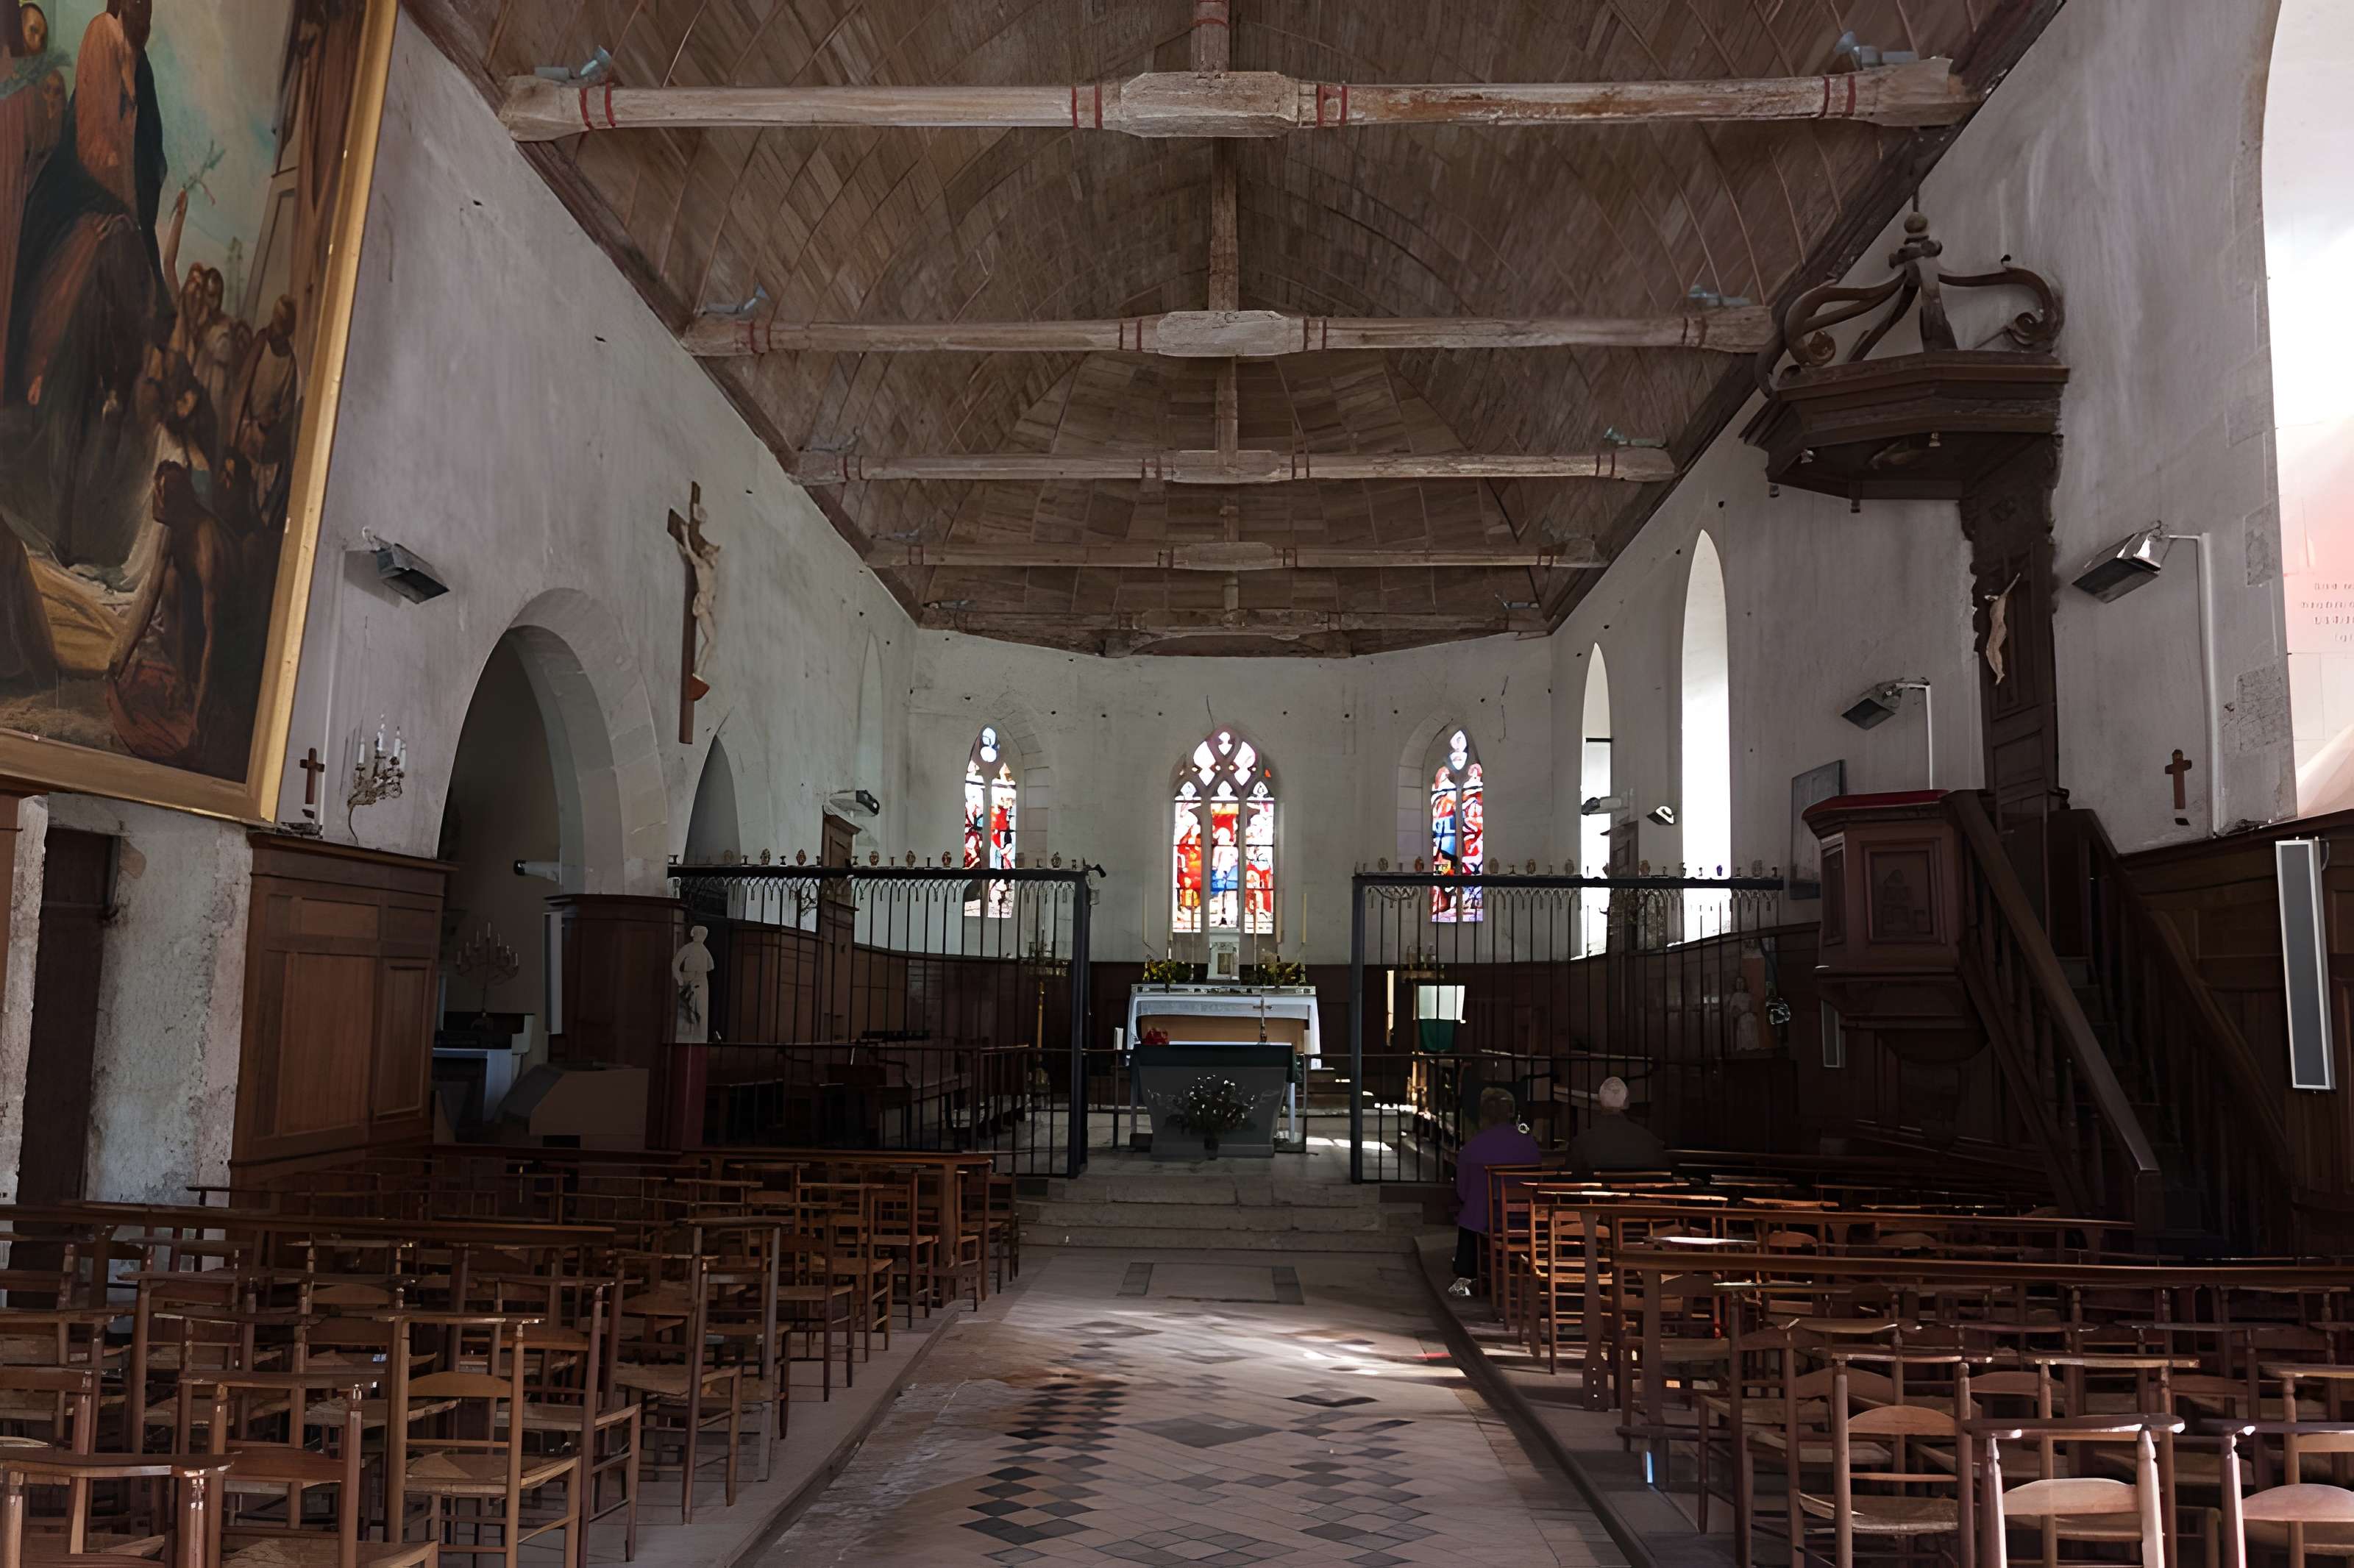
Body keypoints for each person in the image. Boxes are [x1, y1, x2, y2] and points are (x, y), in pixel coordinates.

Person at [1448, 1086, 1540, 1297]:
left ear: (1484, 1115)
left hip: (1487, 1220)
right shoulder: (1529, 1143)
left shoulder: (1472, 1148)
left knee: (1470, 1213)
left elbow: (1462, 1192)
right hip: (1526, 1218)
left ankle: (1468, 1275)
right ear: (1511, 1113)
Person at [1568, 1075, 1668, 1174]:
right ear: (1626, 1103)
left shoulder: (1580, 1144)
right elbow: (1665, 1175)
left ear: (1600, 1103)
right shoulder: (1650, 1141)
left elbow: (1570, 1179)